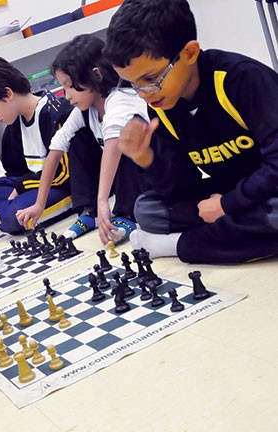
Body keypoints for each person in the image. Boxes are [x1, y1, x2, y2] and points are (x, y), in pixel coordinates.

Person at [104, 0, 278, 263]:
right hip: (230, 192)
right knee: (148, 210)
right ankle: (238, 233)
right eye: (132, 84)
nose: (145, 94)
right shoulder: (161, 106)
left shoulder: (241, 79)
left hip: (266, 187)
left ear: (189, 53)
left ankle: (178, 245)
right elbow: (183, 186)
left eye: (151, 79)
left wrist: (227, 205)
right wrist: (149, 160)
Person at [15, 34, 148, 244]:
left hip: (152, 173)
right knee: (76, 138)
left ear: (96, 75)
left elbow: (113, 146)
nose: (66, 95)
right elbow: (55, 150)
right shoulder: (86, 110)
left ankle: (128, 214)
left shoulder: (120, 100)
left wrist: (103, 200)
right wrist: (39, 205)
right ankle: (89, 212)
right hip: (118, 173)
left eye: (69, 86)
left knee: (123, 144)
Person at [0, 56, 76, 234]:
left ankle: (17, 212)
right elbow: (14, 173)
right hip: (35, 184)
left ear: (8, 94)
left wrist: (21, 187)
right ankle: (16, 209)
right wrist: (21, 187)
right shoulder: (14, 126)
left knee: (12, 217)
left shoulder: (52, 113)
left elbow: (65, 175)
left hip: (60, 186)